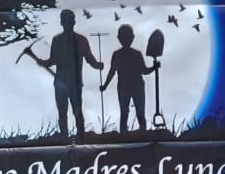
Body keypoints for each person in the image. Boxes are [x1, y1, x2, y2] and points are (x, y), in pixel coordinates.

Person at [28, 10, 103, 138]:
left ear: (72, 22)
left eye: (69, 20)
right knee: (64, 112)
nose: (68, 23)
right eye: (66, 20)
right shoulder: (58, 40)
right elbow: (53, 60)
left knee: (76, 112)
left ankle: (80, 138)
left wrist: (98, 65)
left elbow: (89, 59)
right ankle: (65, 138)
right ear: (63, 23)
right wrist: (41, 62)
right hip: (61, 83)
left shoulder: (80, 40)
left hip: (74, 83)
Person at [101, 24, 158, 133]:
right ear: (119, 38)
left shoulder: (136, 54)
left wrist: (154, 68)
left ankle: (142, 134)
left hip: (137, 87)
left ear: (132, 38)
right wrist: (105, 85)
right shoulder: (117, 55)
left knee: (140, 112)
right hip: (124, 87)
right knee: (124, 113)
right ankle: (124, 135)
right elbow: (112, 72)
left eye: (128, 37)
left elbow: (144, 71)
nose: (126, 39)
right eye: (124, 37)